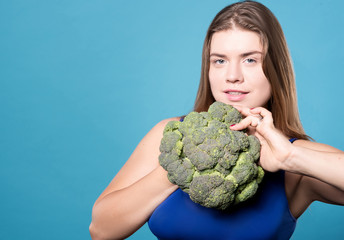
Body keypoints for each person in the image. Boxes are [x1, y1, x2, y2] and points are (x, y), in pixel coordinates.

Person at [89, 1, 344, 239]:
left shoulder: (292, 159)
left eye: (250, 60)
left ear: (276, 68)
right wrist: (181, 166)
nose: (232, 76)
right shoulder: (169, 136)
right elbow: (101, 230)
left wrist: (290, 158)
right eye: (220, 60)